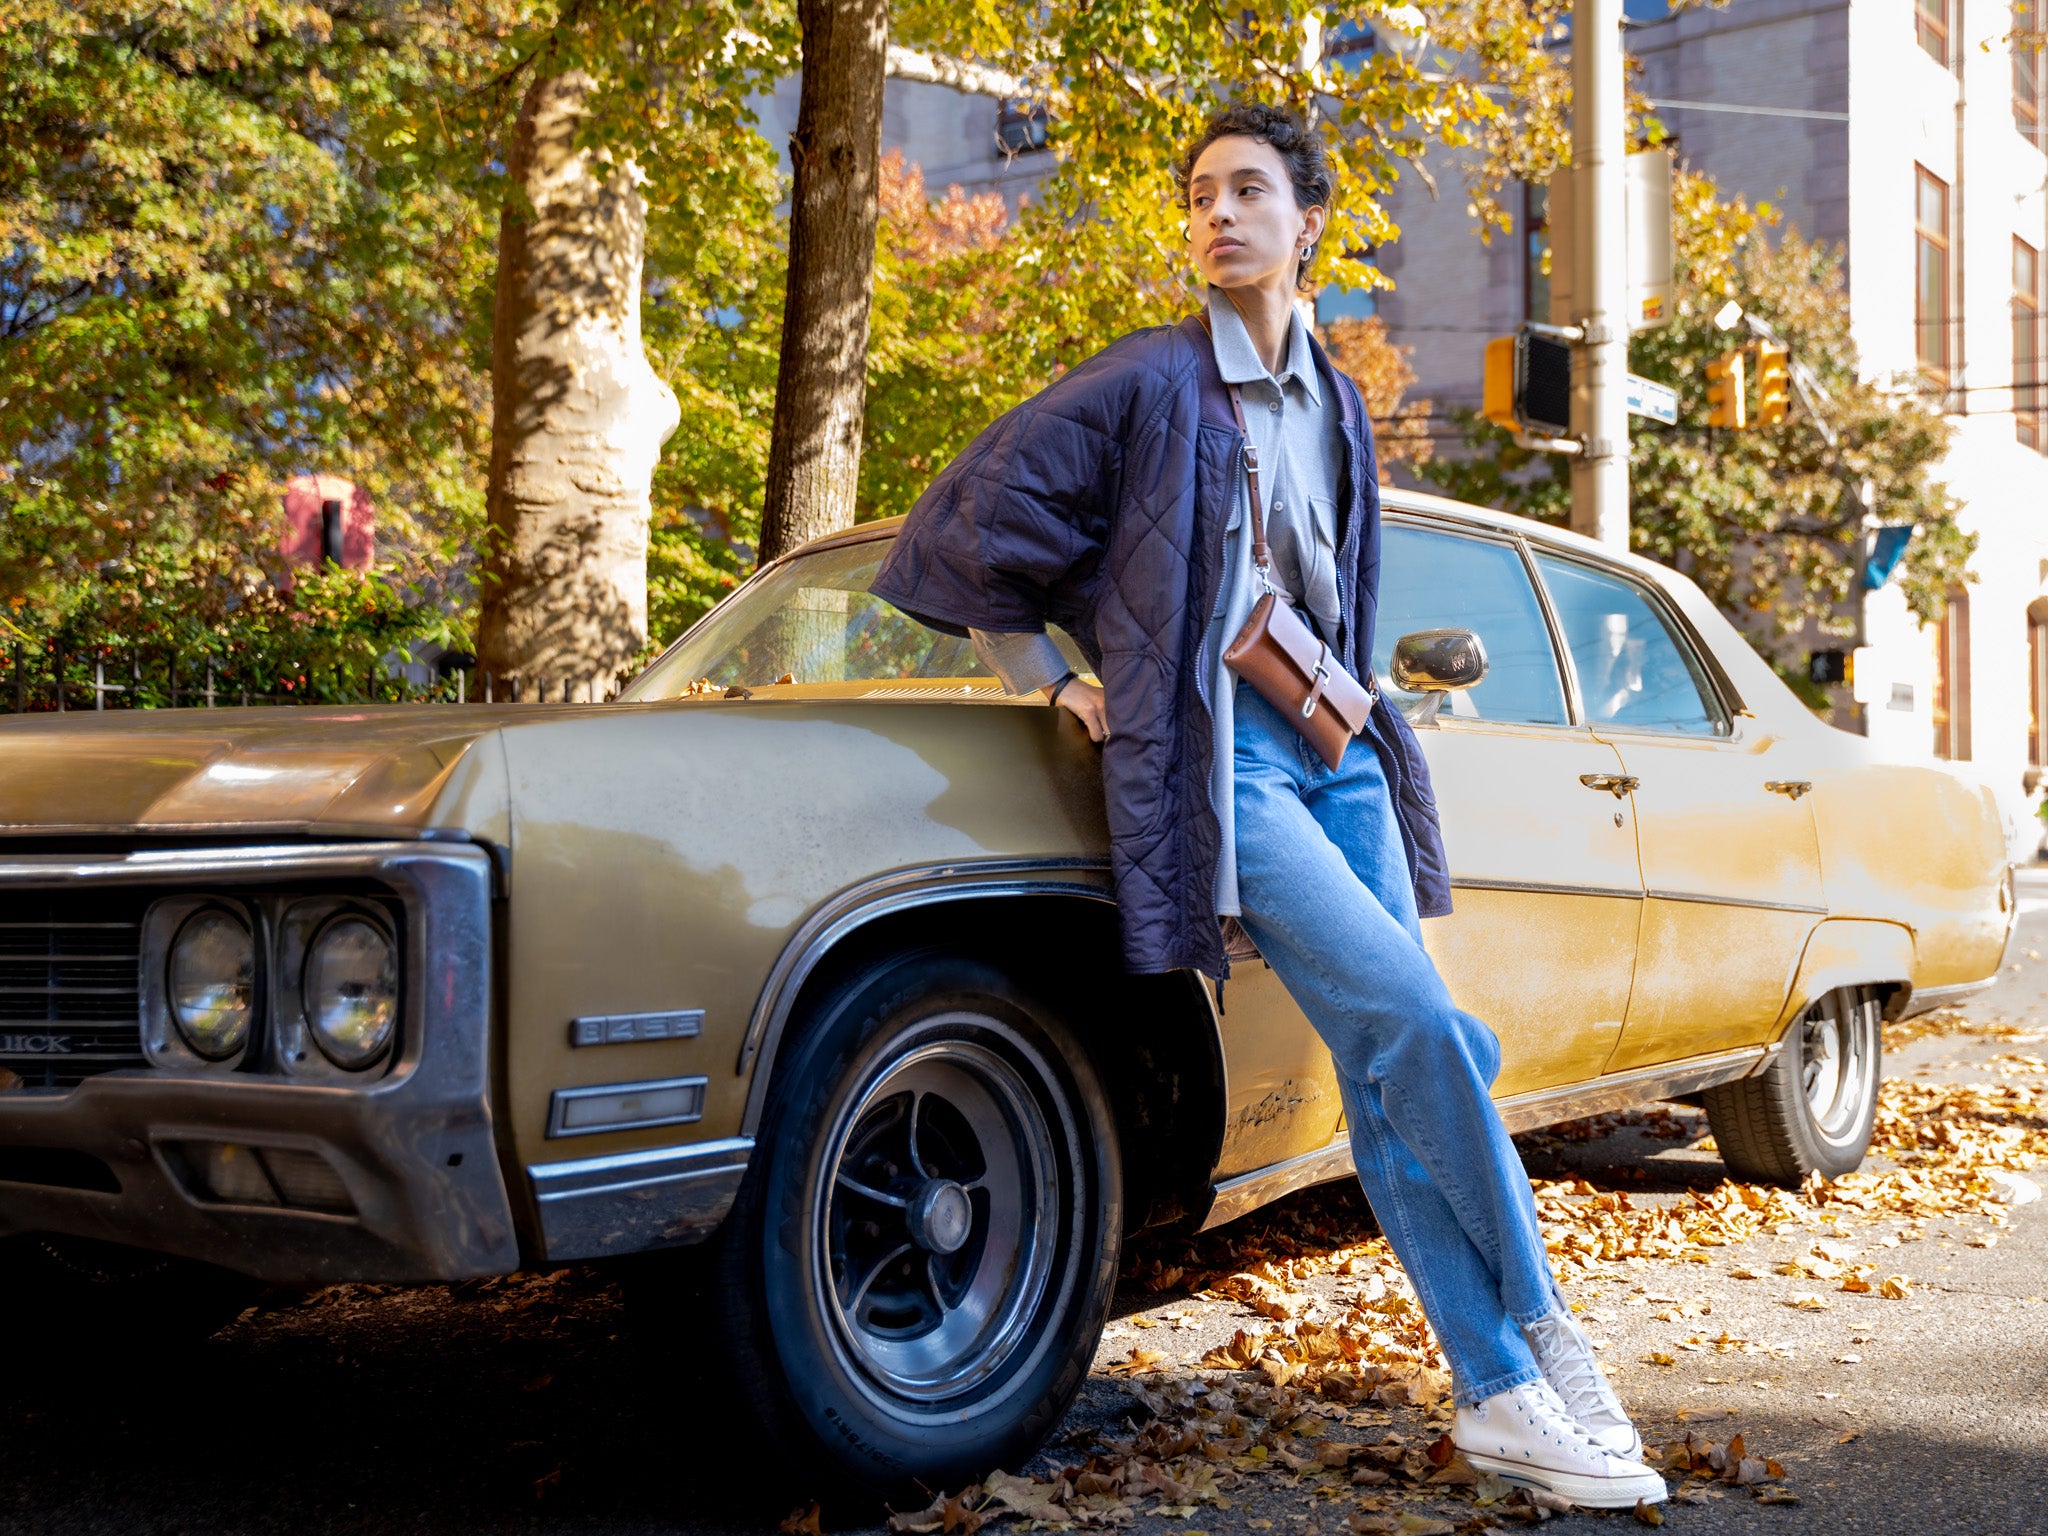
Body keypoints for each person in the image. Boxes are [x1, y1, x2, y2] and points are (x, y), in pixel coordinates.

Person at [871, 102, 1664, 1510]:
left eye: (1247, 191)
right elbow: (968, 525)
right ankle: (1544, 1334)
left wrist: (1361, 702)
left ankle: (1495, 1395)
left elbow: (1335, 592)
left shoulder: (1340, 399)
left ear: (1309, 223)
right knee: (1419, 1024)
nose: (1218, 215)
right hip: (1226, 755)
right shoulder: (1145, 379)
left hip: (1336, 742)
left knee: (1388, 1063)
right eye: (1199, 195)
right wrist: (1053, 679)